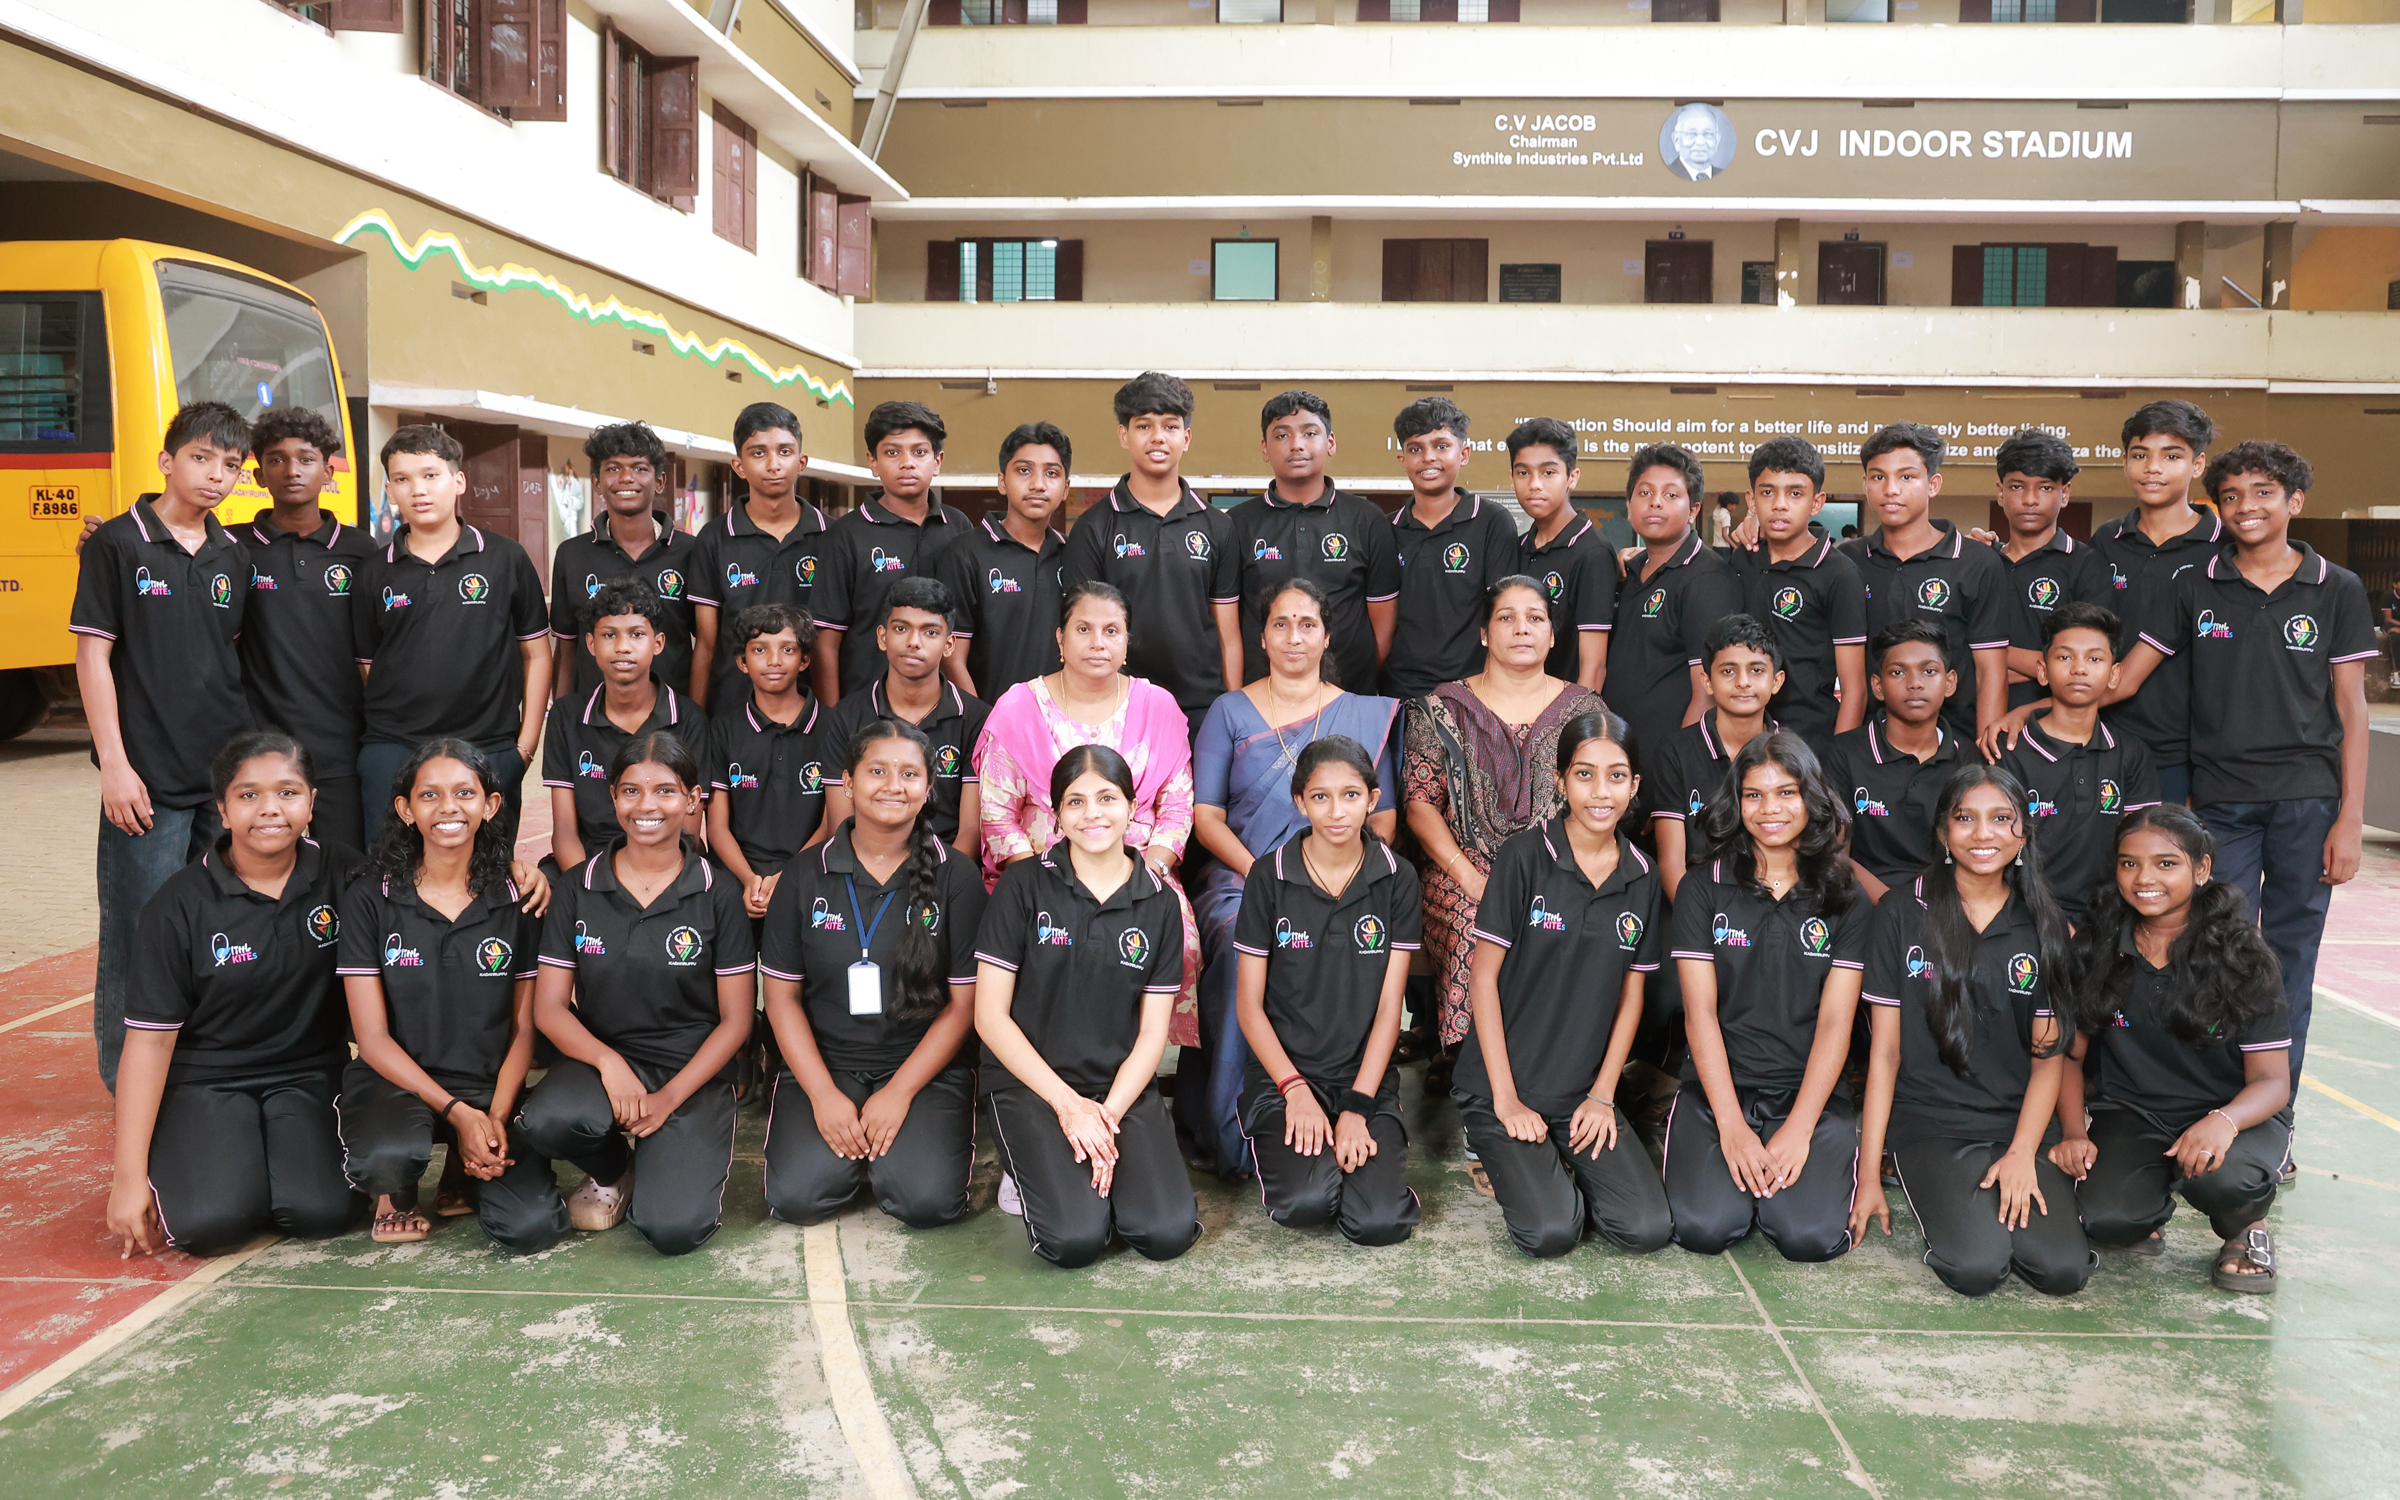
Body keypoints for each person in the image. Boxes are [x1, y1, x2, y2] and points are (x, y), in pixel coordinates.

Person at [2090, 441, 2372, 1099]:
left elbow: (2352, 709)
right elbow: (2128, 678)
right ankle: (2219, 1097)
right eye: (2232, 496)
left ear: (2295, 501)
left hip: (2308, 800)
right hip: (2220, 803)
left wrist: (2350, 817)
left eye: (2264, 492)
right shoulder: (2194, 584)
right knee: (2216, 950)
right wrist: (2040, 708)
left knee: (2292, 958)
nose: (2247, 506)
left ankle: (2276, 1105)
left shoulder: (2337, 588)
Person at [106, 731, 356, 1257]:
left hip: (310, 1072)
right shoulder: (177, 906)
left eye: (288, 792)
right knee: (211, 1226)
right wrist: (126, 1178)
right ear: (222, 810)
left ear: (312, 802)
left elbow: (431, 885)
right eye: (248, 795)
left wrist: (514, 872)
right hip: (207, 1079)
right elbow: (149, 1043)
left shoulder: (346, 874)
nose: (270, 809)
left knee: (323, 1213)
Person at [1849, 765, 2093, 1299]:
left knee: (2062, 1272)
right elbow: (1885, 1055)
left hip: (2018, 1122)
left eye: (2001, 819)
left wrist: (2023, 1152)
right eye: (1966, 818)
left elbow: (2048, 1058)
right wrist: (1867, 1177)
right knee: (1977, 1268)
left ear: (2023, 834)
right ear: (1943, 831)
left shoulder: (2045, 922)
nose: (1984, 834)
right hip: (1930, 1124)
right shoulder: (1901, 912)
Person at [1185, 579, 1403, 1175]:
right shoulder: (1229, 711)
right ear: (1261, 637)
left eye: (1307, 624)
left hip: (1343, 878)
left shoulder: (1363, 713)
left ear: (1327, 636)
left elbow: (1383, 819)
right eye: (1280, 624)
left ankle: (1344, 1103)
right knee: (1241, 942)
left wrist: (1338, 878)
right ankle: (1232, 1133)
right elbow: (1206, 819)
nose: (1293, 637)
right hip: (1244, 876)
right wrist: (1270, 878)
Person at [513, 732, 756, 1256]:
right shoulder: (577, 887)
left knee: (673, 1230)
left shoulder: (719, 893)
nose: (647, 806)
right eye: (631, 791)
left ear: (692, 800)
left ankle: (667, 1153)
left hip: (690, 1070)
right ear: (613, 798)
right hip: (602, 1059)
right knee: (549, 1121)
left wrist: (668, 1098)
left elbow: (736, 1022)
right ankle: (614, 1168)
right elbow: (549, 1008)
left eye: (665, 791)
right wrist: (608, 1062)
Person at [73, 401, 256, 1089]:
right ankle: (127, 1084)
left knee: (213, 930)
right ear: (166, 461)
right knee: (137, 933)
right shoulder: (118, 543)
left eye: (229, 465)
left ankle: (195, 1074)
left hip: (220, 780)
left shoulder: (232, 555)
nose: (215, 476)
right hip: (145, 782)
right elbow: (93, 657)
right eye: (200, 458)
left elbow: (222, 655)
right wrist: (114, 766)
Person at [1452, 710, 1674, 1259]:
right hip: (1503, 1086)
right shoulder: (1524, 856)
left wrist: (1602, 1095)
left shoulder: (1643, 876)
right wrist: (1506, 1100)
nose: (1601, 792)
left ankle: (1554, 1161)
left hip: (1580, 1092)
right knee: (1552, 1233)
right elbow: (1483, 979)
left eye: (1616, 776)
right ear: (1560, 780)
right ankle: (1503, 1149)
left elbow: (1632, 996)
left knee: (1646, 1229)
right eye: (1584, 774)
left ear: (1634, 785)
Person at [974, 746, 1200, 1268]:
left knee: (1164, 1233)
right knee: (1075, 1240)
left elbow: (1153, 1034)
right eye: (1075, 801)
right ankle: (1038, 1167)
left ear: (1132, 807)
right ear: (1056, 813)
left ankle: (1096, 1172)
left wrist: (1107, 1117)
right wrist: (1070, 1107)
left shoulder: (1160, 902)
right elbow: (989, 1016)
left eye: (1107, 798)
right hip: (1033, 1084)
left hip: (1117, 1087)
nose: (1092, 813)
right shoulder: (1023, 885)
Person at [758, 719, 988, 1229]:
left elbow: (963, 1005)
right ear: (847, 782)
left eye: (909, 774)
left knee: (925, 1202)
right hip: (827, 1061)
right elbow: (781, 999)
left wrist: (899, 1093)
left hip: (922, 1067)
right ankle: (859, 1151)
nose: (892, 785)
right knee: (796, 1199)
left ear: (928, 788)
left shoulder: (956, 876)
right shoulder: (803, 874)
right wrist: (823, 1096)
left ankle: (890, 1155)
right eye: (877, 771)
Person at [2052, 806, 2291, 1292]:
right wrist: (2075, 1131)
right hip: (2134, 1113)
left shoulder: (2243, 956)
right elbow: (2071, 1057)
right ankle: (2146, 1207)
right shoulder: (2096, 947)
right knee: (2107, 1220)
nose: (2144, 878)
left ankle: (2246, 1225)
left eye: (2166, 863)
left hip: (2231, 1115)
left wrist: (2223, 1122)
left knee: (2228, 1181)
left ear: (2201, 869)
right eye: (2129, 863)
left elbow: (2272, 1082)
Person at [336, 739, 559, 1249]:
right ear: (406, 810)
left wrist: (493, 1120)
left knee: (531, 1228)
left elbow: (524, 1027)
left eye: (464, 793)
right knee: (386, 1159)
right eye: (429, 795)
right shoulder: (371, 898)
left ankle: (465, 1161)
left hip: (488, 1086)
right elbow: (372, 1038)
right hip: (396, 1083)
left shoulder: (519, 897)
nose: (448, 808)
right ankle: (397, 1190)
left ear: (491, 805)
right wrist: (460, 1114)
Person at [1665, 731, 1866, 1261]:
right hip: (1719, 1092)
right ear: (1736, 802)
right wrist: (1732, 1127)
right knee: (1704, 1229)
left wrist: (1799, 1129)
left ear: (1811, 798)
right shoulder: (1701, 887)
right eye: (1753, 794)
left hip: (1809, 1096)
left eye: (1786, 793)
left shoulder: (1846, 895)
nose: (1769, 809)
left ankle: (1796, 1166)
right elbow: (1700, 1015)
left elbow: (1836, 1023)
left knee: (1807, 1238)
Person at [1404, 579, 1608, 1060]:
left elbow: (1599, 801)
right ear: (1483, 633)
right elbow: (1419, 805)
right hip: (1462, 869)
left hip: (1561, 867)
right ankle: (1472, 1064)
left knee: (1569, 917)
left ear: (1552, 636)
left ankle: (1555, 1062)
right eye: (1506, 618)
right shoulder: (1442, 708)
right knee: (1478, 921)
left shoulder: (1585, 710)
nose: (1522, 629)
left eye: (1535, 618)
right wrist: (1469, 877)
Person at [1233, 737, 1422, 1245]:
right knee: (1305, 1203)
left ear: (1372, 799)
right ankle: (1303, 1156)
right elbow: (1248, 1006)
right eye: (1320, 797)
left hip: (1363, 1076)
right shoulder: (1268, 876)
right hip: (1286, 1078)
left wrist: (1358, 1106)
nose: (1336, 811)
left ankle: (1370, 1166)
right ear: (1300, 801)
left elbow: (1391, 1008)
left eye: (1351, 795)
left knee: (1380, 1223)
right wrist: (1294, 1090)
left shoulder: (1397, 878)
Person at [976, 577, 1201, 981]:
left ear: (1127, 642)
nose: (1098, 643)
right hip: (1040, 876)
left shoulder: (1158, 706)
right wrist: (1046, 884)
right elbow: (998, 817)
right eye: (1084, 629)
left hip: (1141, 876)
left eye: (1111, 631)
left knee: (1179, 944)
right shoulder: (1019, 707)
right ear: (1060, 639)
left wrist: (1145, 876)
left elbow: (1177, 809)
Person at [353, 425, 551, 843]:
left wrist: (524, 747)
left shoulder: (506, 559)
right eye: (402, 479)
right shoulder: (373, 570)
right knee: (390, 870)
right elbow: (368, 665)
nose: (418, 490)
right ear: (389, 490)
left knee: (486, 871)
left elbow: (536, 654)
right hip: (394, 749)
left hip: (489, 746)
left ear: (458, 481)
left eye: (430, 475)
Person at [1057, 372, 1240, 739]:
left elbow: (1229, 636)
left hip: (1202, 708)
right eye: (1144, 426)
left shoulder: (1218, 526)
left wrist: (1234, 713)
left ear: (1186, 438)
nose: (1158, 437)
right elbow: (1083, 631)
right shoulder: (1094, 527)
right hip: (1119, 707)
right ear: (1124, 435)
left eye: (1170, 426)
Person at [231, 405, 378, 851]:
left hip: (342, 750)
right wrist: (103, 549)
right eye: (276, 459)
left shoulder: (361, 550)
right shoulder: (231, 546)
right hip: (261, 750)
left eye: (306, 459)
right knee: (262, 868)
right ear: (259, 475)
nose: (292, 471)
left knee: (344, 868)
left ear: (328, 472)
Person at [2084, 400, 2223, 805]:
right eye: (2140, 455)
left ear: (2198, 465)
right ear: (2125, 462)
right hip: (2104, 736)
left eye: (2171, 456)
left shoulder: (2225, 548)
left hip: (2190, 754)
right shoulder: (2107, 539)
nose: (2153, 468)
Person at [1837, 423, 2010, 743]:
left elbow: (1991, 673)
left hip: (1954, 745)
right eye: (1878, 477)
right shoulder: (1846, 561)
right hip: (1869, 747)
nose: (1891, 489)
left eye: (1906, 477)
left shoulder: (1977, 562)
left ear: (1933, 484)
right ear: (1865, 484)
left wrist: (1987, 756)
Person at [1993, 603, 2160, 924]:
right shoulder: (2009, 751)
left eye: (2094, 659)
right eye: (2065, 657)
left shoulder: (2131, 753)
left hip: (2109, 919)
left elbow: (2142, 847)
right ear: (2042, 670)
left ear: (2115, 674)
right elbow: (1997, 854)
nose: (2079, 669)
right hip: (2025, 918)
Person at [1226, 391, 1400, 696]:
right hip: (1263, 702)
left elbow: (1383, 624)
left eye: (1309, 433)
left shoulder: (1367, 519)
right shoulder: (1237, 524)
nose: (1296, 444)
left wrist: (1357, 683)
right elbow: (1228, 628)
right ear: (1265, 448)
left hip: (1349, 698)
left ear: (1330, 442)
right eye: (1282, 435)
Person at [812, 401, 973, 704]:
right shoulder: (846, 535)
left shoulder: (959, 526)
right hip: (867, 710)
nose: (907, 463)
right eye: (892, 452)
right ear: (873, 462)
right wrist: (832, 719)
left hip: (944, 710)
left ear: (937, 461)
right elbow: (826, 642)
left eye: (919, 452)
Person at [1723, 436, 1866, 757]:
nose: (1780, 504)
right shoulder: (1743, 558)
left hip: (1811, 743)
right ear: (1752, 500)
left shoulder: (1839, 573)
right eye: (1767, 492)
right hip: (1743, 740)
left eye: (1795, 493)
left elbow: (1855, 690)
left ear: (1817, 502)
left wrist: (1839, 767)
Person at [823, 577, 988, 855]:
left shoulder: (977, 719)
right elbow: (841, 825)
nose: (913, 642)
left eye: (930, 632)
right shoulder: (845, 717)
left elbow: (971, 830)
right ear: (882, 637)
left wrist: (946, 876)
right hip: (865, 866)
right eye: (901, 628)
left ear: (949, 645)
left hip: (947, 866)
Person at [542, 578, 696, 870]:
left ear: (658, 643)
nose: (623, 647)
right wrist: (589, 887)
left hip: (665, 870)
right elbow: (564, 834)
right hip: (586, 869)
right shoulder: (566, 716)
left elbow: (687, 833)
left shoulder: (689, 719)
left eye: (636, 634)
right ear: (591, 644)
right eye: (609, 635)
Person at [1603, 443, 1743, 761]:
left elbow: (1708, 693)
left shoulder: (1707, 579)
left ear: (1693, 510)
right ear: (1629, 505)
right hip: (1618, 761)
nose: (1655, 502)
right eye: (1645, 493)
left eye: (1670, 495)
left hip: (1667, 765)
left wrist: (1679, 768)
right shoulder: (1629, 572)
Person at [689, 402, 829, 710]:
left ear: (801, 462)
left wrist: (833, 719)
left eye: (784, 451)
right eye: (758, 453)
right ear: (738, 466)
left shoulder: (833, 536)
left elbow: (834, 642)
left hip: (811, 715)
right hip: (731, 713)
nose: (773, 464)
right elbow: (706, 645)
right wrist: (695, 723)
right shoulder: (714, 538)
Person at [1382, 398, 1523, 700]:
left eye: (1441, 446)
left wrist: (1488, 694)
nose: (1428, 458)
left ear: (1464, 454)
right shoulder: (1385, 529)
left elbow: (1502, 613)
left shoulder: (1492, 522)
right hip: (1400, 694)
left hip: (1472, 693)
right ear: (1402, 459)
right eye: (1415, 449)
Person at [550, 421, 698, 704]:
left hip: (673, 719)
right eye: (613, 468)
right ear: (597, 483)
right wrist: (561, 715)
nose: (626, 478)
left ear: (659, 482)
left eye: (640, 468)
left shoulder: (690, 552)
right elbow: (566, 649)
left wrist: (698, 717)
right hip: (593, 720)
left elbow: (706, 644)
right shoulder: (572, 554)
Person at [704, 604, 836, 921]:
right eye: (760, 650)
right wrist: (749, 880)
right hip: (737, 877)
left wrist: (787, 877)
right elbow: (717, 827)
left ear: (804, 660)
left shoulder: (833, 727)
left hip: (810, 873)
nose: (774, 661)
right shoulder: (723, 728)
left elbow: (832, 822)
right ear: (742, 662)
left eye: (787, 649)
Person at [1645, 614, 1786, 904]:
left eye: (1756, 670)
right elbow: (1671, 863)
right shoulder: (1676, 752)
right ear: (1707, 682)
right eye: (1728, 671)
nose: (1743, 682)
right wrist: (1695, 923)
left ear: (1776, 681)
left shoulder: (1794, 753)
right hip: (1699, 907)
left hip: (1775, 905)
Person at [1825, 621, 1966, 903]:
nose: (1915, 683)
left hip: (1946, 905)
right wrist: (1894, 910)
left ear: (1949, 683)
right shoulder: (1845, 752)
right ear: (1878, 686)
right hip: (1866, 903)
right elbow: (1835, 854)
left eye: (1929, 671)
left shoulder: (1968, 758)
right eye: (1898, 672)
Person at [938, 422, 1071, 702]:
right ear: (1002, 481)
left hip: (1063, 721)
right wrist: (984, 721)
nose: (1037, 484)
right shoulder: (965, 553)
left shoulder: (1072, 554)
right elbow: (951, 657)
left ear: (1066, 488)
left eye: (1051, 473)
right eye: (1024, 471)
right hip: (989, 719)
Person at [1990, 428, 2112, 710]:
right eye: (2017, 487)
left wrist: (1988, 655)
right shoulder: (1981, 562)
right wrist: (2043, 664)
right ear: (2000, 492)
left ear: (2064, 493)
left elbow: (2082, 665)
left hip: (2053, 722)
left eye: (2045, 488)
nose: (2030, 500)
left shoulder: (2087, 565)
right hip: (1972, 721)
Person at [1509, 417, 1615, 693]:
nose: (1534, 484)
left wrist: (1572, 719)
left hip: (1564, 711)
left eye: (1548, 472)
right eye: (1523, 473)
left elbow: (1594, 666)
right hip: (1515, 706)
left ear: (1572, 477)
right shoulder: (1516, 548)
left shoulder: (1592, 553)